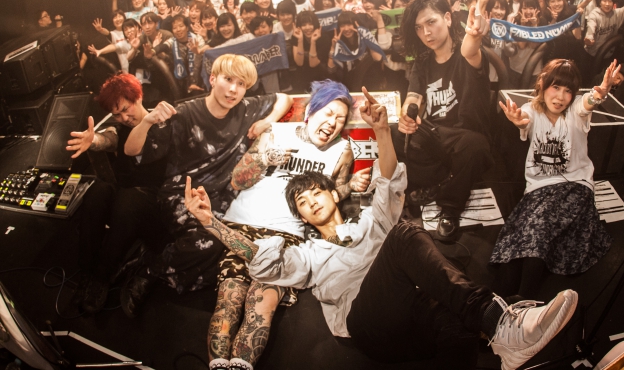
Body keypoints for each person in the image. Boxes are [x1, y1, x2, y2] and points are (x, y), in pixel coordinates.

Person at [184, 88, 579, 370]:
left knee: (453, 323)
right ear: (302, 218)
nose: (312, 202)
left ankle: (505, 345)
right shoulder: (308, 253)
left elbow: (389, 183)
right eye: (303, 203)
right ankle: (500, 320)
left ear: (334, 194)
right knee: (404, 233)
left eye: (316, 193)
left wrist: (383, 131)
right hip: (367, 325)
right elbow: (262, 258)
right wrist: (210, 222)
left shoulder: (370, 222)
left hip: (410, 317)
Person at [207, 80, 370, 370]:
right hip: (244, 225)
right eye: (328, 113)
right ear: (311, 111)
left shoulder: (342, 150)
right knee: (230, 298)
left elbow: (335, 192)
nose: (333, 122)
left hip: (287, 237)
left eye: (341, 118)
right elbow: (237, 180)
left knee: (262, 305)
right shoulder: (275, 133)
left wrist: (352, 186)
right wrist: (264, 159)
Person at [121, 54, 292, 316]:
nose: (234, 90)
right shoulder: (184, 112)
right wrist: (146, 121)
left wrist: (268, 120)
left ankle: (160, 259)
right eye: (228, 80)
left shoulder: (246, 108)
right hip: (183, 192)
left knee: (232, 247)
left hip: (223, 197)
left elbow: (284, 98)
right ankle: (150, 270)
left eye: (241, 84)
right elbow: (132, 151)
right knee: (211, 241)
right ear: (212, 79)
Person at [492, 59, 616, 299]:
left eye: (568, 90)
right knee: (517, 238)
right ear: (542, 84)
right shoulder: (531, 109)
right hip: (538, 189)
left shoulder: (576, 110)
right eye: (556, 87)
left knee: (538, 228)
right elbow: (524, 117)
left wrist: (599, 93)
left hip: (575, 186)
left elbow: (588, 102)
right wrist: (517, 119)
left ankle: (525, 300)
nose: (560, 97)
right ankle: (497, 305)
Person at [392, 0, 493, 240]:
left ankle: (450, 207)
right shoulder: (423, 61)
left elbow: (470, 50)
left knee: (474, 146)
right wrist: (407, 117)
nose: (426, 32)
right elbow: (413, 97)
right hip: (436, 135)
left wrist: (473, 34)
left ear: (447, 18)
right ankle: (442, 182)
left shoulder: (465, 54)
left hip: (465, 137)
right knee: (394, 133)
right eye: (418, 28)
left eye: (431, 22)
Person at [67, 73, 169, 314]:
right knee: (98, 190)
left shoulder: (163, 123)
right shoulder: (121, 127)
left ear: (138, 97)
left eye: (126, 109)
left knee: (128, 200)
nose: (124, 117)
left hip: (155, 203)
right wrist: (94, 141)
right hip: (126, 198)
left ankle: (101, 277)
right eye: (117, 114)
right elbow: (109, 139)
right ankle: (87, 272)